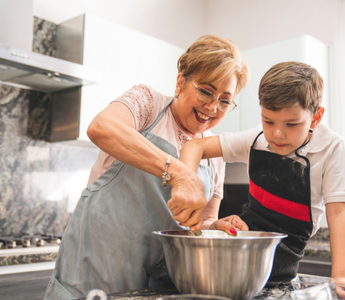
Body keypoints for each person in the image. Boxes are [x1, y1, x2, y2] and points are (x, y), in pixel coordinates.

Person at [43, 35, 250, 300]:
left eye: (224, 101)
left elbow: (201, 223)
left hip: (155, 287)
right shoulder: (149, 104)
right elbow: (102, 128)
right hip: (93, 275)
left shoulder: (214, 155)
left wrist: (216, 227)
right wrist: (178, 172)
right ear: (180, 82)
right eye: (205, 91)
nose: (212, 107)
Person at [179, 61, 345, 287]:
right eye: (268, 121)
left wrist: (341, 278)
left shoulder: (330, 147)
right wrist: (186, 182)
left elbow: (339, 212)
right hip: (241, 252)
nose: (278, 134)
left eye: (291, 124)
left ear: (316, 117)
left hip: (286, 261)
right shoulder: (257, 139)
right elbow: (195, 147)